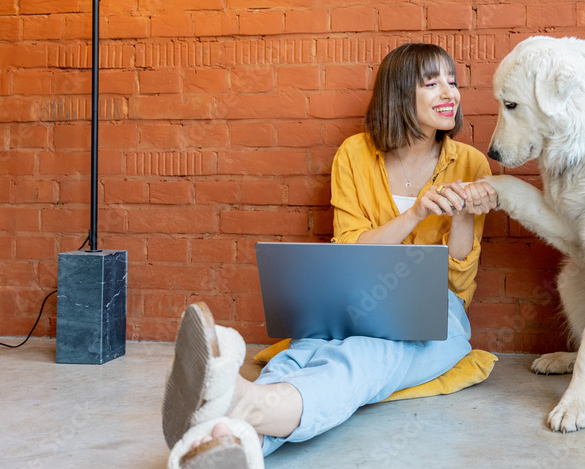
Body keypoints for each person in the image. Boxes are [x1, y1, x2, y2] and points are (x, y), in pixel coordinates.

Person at [162, 43, 499, 468]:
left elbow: (457, 282)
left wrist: (466, 213)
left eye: (452, 81)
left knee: (363, 359)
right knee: (303, 352)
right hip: (356, 300)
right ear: (398, 93)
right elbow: (350, 252)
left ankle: (237, 400)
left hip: (437, 316)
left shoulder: (470, 164)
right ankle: (236, 442)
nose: (449, 92)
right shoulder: (354, 155)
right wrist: (415, 214)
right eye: (431, 83)